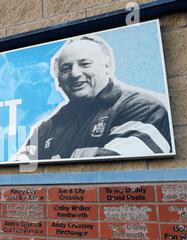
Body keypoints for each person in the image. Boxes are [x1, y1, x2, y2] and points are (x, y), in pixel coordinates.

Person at [14, 34, 172, 161]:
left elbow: (119, 169)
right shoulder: (46, 128)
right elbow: (20, 169)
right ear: (58, 79)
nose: (75, 74)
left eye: (85, 64)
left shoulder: (143, 107)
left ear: (107, 67)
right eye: (66, 68)